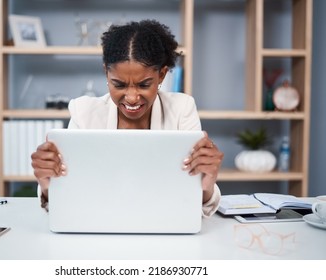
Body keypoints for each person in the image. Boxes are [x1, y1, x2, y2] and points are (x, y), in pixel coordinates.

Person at [31, 19, 224, 217]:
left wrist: (207, 183)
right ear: (106, 73)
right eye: (119, 85)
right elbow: (70, 201)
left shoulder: (182, 108)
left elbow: (193, 207)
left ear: (162, 75)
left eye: (143, 85)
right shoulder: (84, 112)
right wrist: (48, 186)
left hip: (162, 220)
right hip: (100, 219)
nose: (132, 97)